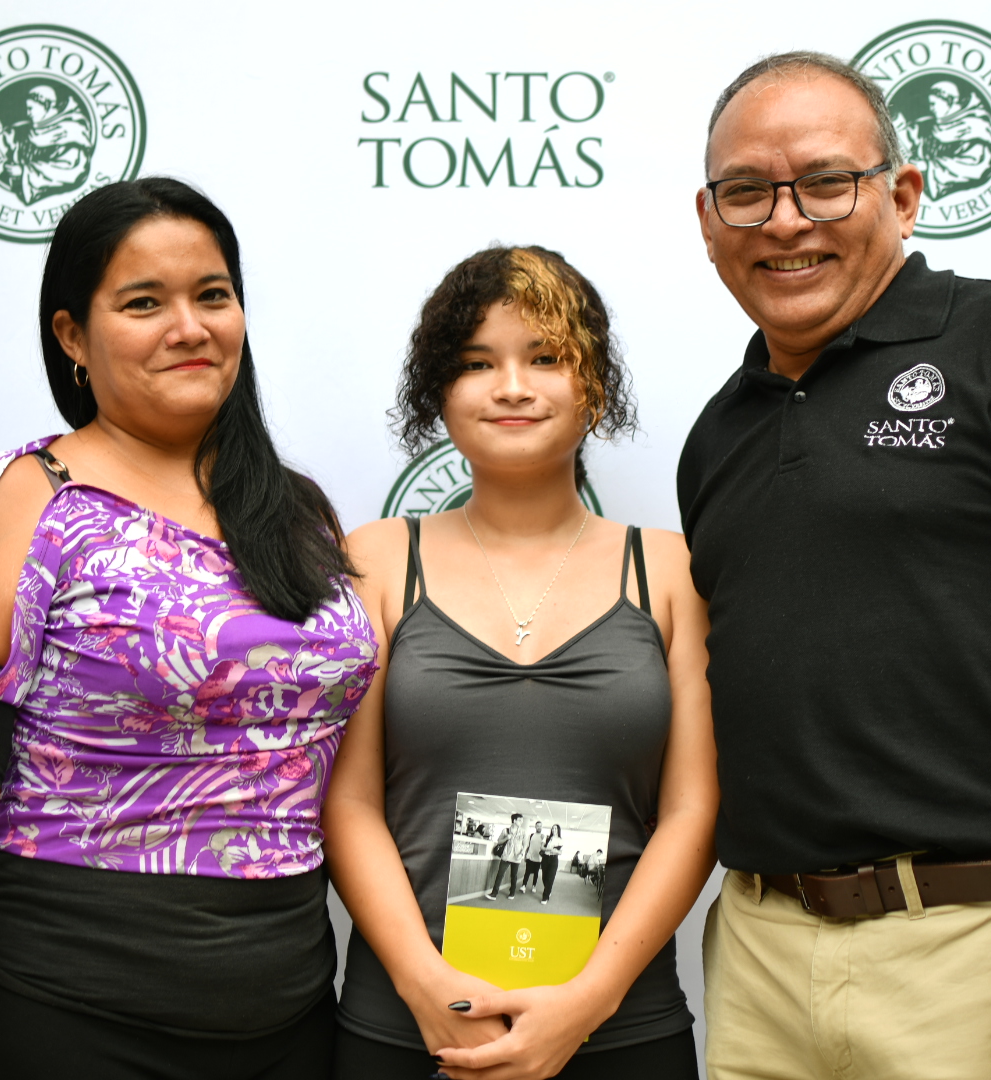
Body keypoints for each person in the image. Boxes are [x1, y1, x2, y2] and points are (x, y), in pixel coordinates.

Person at [683, 52, 991, 1080]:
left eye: (825, 181)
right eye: (746, 193)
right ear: (708, 219)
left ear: (901, 194)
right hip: (761, 955)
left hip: (979, 949)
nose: (784, 220)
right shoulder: (717, 434)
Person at [0, 177, 377, 1080]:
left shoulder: (297, 511)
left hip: (291, 1005)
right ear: (73, 335)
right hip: (71, 1007)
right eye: (143, 302)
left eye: (213, 295)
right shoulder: (24, 499)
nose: (188, 327)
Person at [324, 245, 719, 1080]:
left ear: (595, 386)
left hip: (620, 1027)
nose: (510, 386)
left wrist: (589, 1000)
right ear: (440, 391)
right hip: (409, 1026)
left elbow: (693, 814)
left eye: (546, 357)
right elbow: (348, 800)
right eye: (476, 364)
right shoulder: (378, 559)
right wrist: (428, 986)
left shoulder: (674, 570)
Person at [487, 812, 527, 900]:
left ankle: (512, 893)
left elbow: (525, 844)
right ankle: (494, 893)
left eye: (522, 820)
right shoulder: (506, 830)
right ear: (514, 820)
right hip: (506, 855)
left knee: (514, 875)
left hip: (517, 856)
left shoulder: (523, 831)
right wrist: (506, 838)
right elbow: (499, 841)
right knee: (500, 874)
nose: (521, 822)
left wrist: (522, 853)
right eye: (519, 820)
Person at [540, 824, 565, 904]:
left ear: (558, 830)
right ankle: (548, 890)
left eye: (555, 828)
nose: (554, 830)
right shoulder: (547, 837)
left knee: (550, 878)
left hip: (554, 859)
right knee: (544, 877)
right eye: (553, 828)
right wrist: (549, 849)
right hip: (545, 858)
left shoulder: (560, 840)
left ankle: (545, 897)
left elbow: (560, 852)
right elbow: (542, 847)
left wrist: (555, 851)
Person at [521, 820, 548, 894]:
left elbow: (544, 847)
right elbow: (527, 845)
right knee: (527, 872)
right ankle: (523, 886)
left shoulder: (543, 836)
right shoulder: (531, 835)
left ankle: (534, 886)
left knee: (536, 873)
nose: (539, 827)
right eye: (538, 826)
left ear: (542, 827)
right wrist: (525, 855)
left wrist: (543, 839)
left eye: (540, 826)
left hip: (538, 858)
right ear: (535, 827)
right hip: (530, 856)